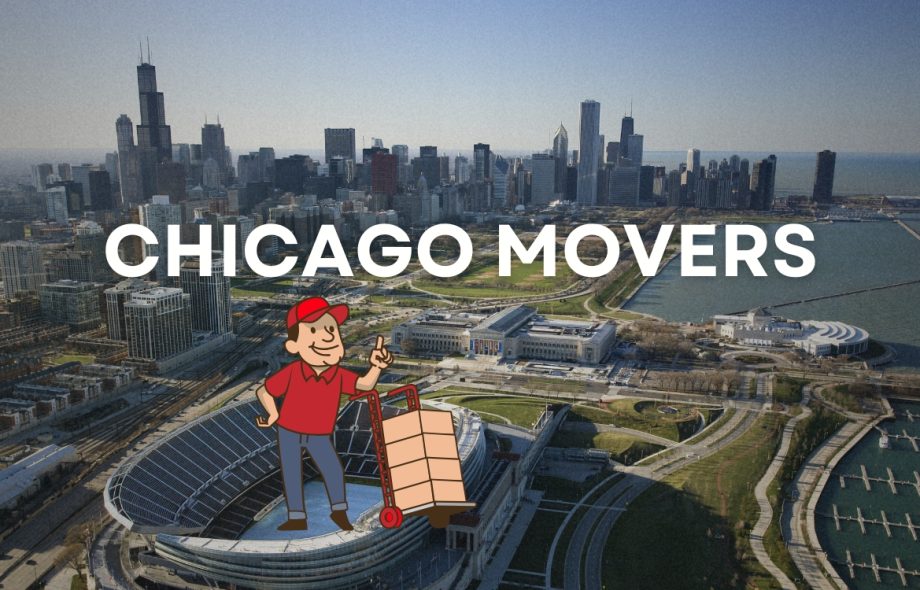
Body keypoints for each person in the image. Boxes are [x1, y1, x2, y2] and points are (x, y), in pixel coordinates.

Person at [255, 296, 393, 531]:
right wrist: (273, 414)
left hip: (317, 433)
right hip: (289, 430)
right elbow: (263, 391)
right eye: (314, 331)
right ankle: (297, 517)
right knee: (292, 473)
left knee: (332, 469)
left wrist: (376, 367)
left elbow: (365, 385)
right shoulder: (294, 371)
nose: (327, 336)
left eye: (331, 329)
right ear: (294, 346)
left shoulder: (337, 374)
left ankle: (338, 512)